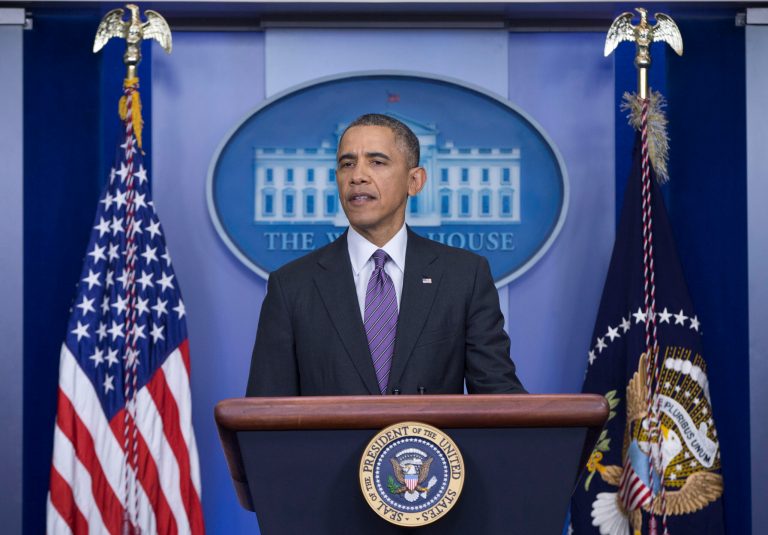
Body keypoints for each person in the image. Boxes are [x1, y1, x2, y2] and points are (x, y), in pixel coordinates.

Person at [246, 113, 525, 396]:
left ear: (414, 181)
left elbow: (500, 398)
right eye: (347, 164)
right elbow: (266, 410)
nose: (357, 176)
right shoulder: (291, 286)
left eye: (377, 162)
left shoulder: (464, 276)